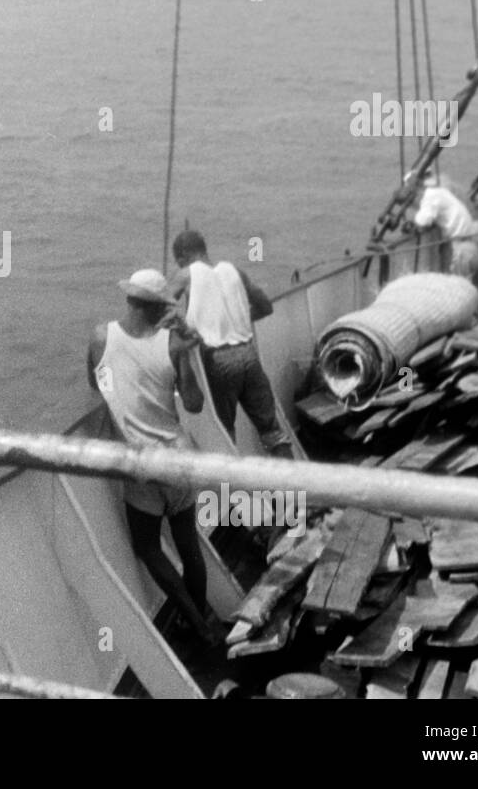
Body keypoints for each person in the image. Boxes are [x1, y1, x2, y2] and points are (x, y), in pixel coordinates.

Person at [87, 269, 219, 647]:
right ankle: (200, 621)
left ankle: (197, 623)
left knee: (147, 547)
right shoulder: (174, 344)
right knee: (187, 544)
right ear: (161, 307)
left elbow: (95, 383)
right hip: (178, 457)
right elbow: (193, 404)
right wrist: (189, 351)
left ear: (129, 299)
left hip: (142, 464)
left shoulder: (99, 337)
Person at [170, 230, 292, 458]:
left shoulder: (186, 274)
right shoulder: (234, 271)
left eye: (178, 261)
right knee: (273, 432)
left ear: (183, 256)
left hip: (219, 362)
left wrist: (184, 328)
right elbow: (265, 306)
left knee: (225, 433)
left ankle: (233, 490)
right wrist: (234, 320)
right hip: (249, 356)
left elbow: (162, 309)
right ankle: (293, 490)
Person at [404, 174, 478, 293]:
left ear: (414, 190)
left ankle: (476, 311)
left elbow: (422, 221)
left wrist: (413, 217)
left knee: (463, 293)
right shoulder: (439, 191)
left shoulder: (430, 197)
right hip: (473, 243)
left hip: (463, 251)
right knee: (477, 291)